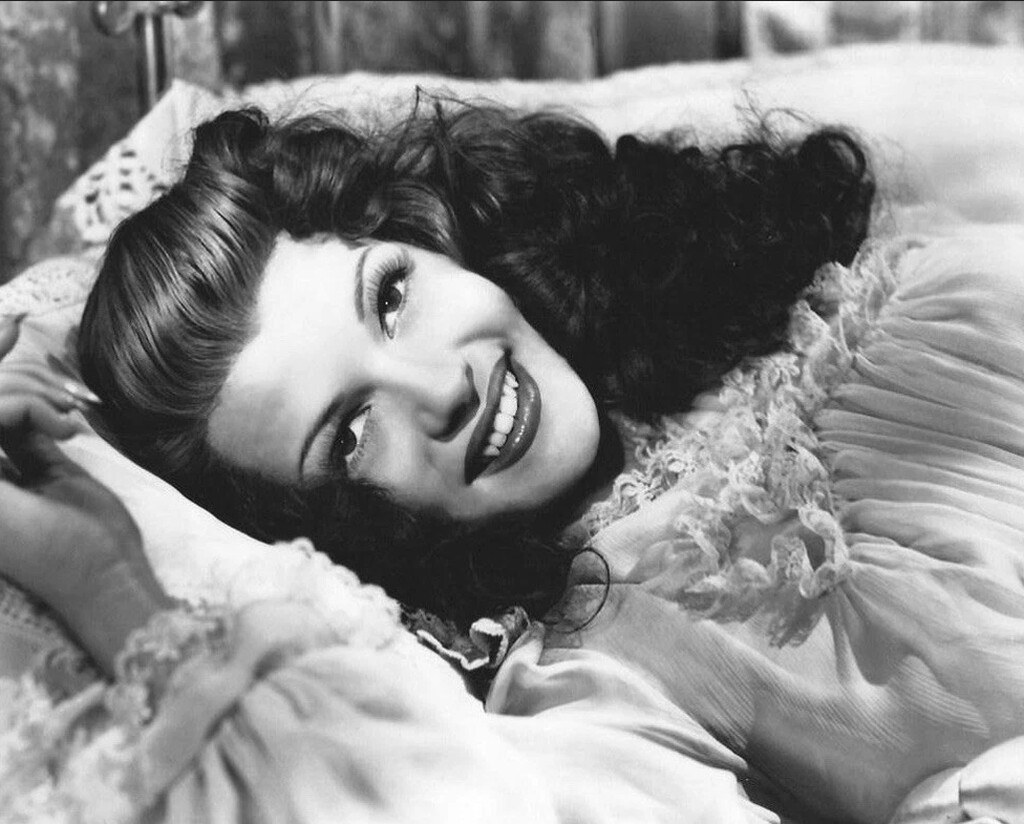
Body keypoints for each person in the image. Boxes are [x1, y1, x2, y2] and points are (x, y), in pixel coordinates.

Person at [1, 98, 1023, 824]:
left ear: (431, 237)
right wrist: (108, 581)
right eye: (350, 434)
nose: (439, 388)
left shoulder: (845, 287)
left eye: (391, 296)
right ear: (331, 529)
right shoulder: (597, 673)